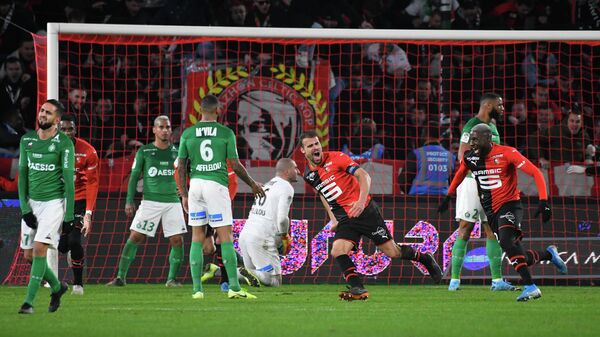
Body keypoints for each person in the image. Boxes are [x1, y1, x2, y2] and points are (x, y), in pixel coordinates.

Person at [300, 130, 442, 301]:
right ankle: (357, 287)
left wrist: (360, 202)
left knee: (393, 252)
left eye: (317, 143)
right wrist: (332, 217)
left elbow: (363, 175)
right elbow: (322, 193)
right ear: (303, 151)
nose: (316, 148)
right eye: (310, 146)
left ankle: (425, 258)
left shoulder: (337, 157)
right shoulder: (308, 174)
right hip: (346, 218)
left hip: (366, 211)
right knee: (337, 250)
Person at [439, 124, 568, 301]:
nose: (472, 143)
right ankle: (548, 254)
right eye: (471, 140)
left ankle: (530, 287)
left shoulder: (508, 153)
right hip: (491, 212)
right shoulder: (470, 157)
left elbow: (536, 173)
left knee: (507, 242)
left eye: (476, 139)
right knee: (520, 255)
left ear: (488, 138)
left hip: (510, 206)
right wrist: (448, 196)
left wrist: (544, 201)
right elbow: (461, 173)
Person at [177, 94, 265, 300]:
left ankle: (197, 290)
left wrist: (183, 194)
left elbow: (181, 166)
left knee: (197, 238)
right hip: (216, 185)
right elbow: (235, 165)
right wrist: (252, 184)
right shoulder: (226, 133)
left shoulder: (188, 134)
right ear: (218, 110)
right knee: (225, 238)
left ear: (200, 110)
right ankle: (234, 288)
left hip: (195, 185)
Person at [106, 116, 187, 287]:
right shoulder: (145, 151)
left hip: (173, 202)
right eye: (161, 127)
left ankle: (171, 279)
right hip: (150, 202)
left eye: (168, 127)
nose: (165, 130)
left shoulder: (178, 151)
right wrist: (129, 201)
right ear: (154, 130)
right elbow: (134, 176)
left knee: (177, 240)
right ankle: (120, 277)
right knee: (136, 236)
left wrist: (185, 192)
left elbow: (185, 173)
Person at [448, 93, 515, 292]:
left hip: (491, 184)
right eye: (499, 104)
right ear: (487, 105)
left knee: (491, 229)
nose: (502, 108)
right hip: (471, 183)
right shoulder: (471, 125)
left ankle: (496, 281)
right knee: (465, 227)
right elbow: (462, 156)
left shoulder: (493, 128)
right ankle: (454, 281)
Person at [17, 99, 73, 314]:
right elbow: (23, 177)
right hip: (32, 202)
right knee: (29, 256)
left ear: (57, 120)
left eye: (48, 113)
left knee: (40, 249)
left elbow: (69, 182)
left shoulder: (63, 144)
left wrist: (68, 218)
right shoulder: (27, 140)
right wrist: (24, 208)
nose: (42, 115)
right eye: (41, 111)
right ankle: (58, 288)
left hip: (53, 204)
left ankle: (28, 303)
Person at [238, 158, 298, 287]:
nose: (297, 171)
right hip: (261, 238)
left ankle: (221, 271)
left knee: (255, 280)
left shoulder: (267, 185)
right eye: (295, 168)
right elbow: (282, 218)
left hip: (246, 235)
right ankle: (229, 271)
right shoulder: (286, 187)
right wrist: (284, 235)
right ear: (287, 171)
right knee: (274, 281)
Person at [56, 115, 99, 295]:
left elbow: (92, 183)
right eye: (63, 129)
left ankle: (78, 284)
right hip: (56, 201)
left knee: (75, 242)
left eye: (70, 129)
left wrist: (88, 213)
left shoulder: (88, 151)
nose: (67, 132)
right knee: (62, 246)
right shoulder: (50, 149)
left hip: (78, 201)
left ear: (75, 130)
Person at [398, 123, 454, 195]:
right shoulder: (451, 156)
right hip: (443, 199)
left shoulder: (417, 154)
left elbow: (403, 180)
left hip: (419, 199)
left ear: (425, 135)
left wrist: (410, 194)